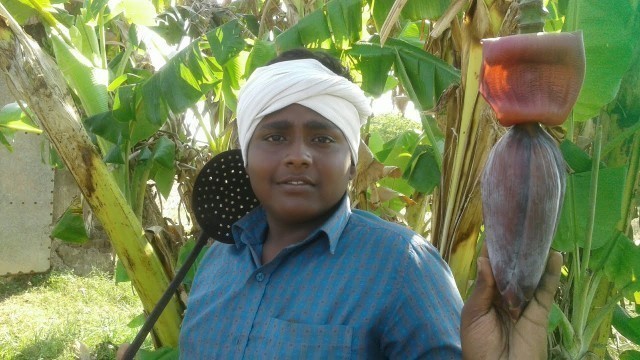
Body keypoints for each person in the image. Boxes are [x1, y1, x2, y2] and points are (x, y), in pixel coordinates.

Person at [175, 49, 562, 359]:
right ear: (245, 156)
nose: (299, 156)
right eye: (274, 138)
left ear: (353, 163)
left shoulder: (402, 268)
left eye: (323, 139)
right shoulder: (216, 263)